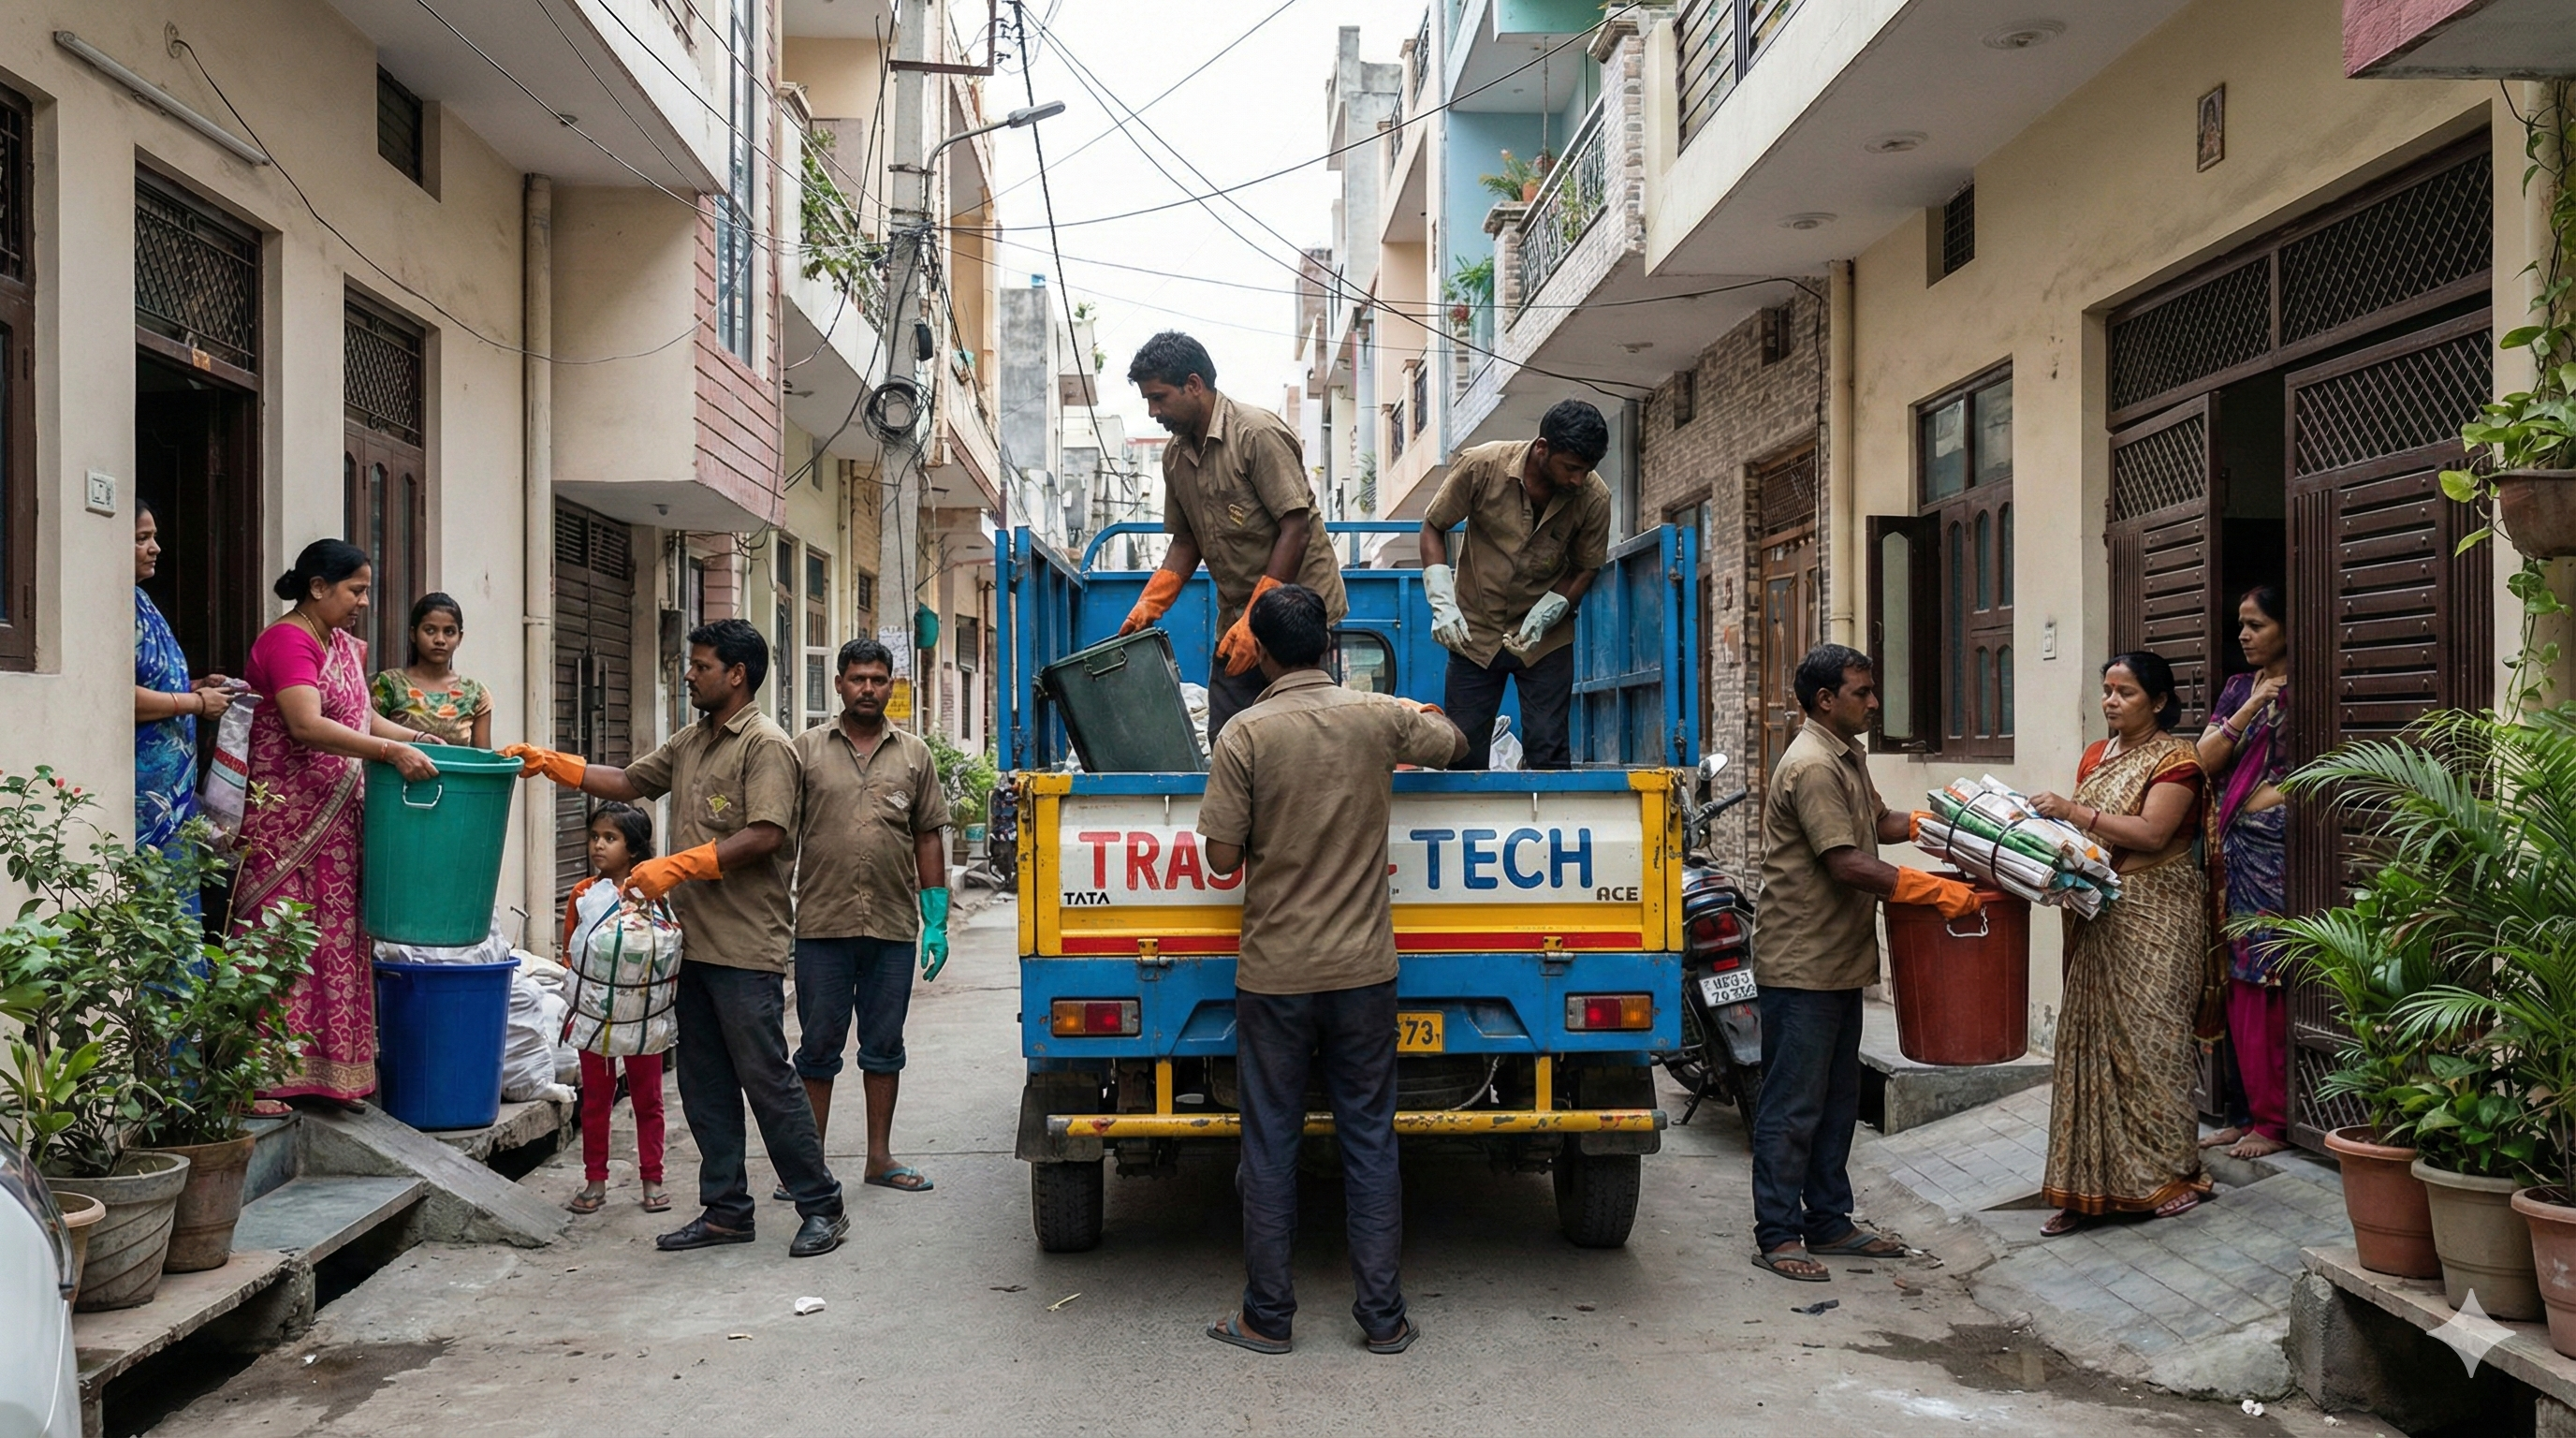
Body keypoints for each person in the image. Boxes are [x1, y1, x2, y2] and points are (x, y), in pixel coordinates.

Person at [504, 619, 847, 1258]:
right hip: (687, 946)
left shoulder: (765, 744)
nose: (688, 673)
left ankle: (821, 1203)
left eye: (700, 664)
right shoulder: (692, 740)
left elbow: (767, 833)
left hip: (744, 946)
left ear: (736, 674)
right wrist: (554, 764)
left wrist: (679, 865)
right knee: (703, 1082)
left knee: (767, 1079)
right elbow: (630, 783)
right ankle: (725, 1210)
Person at [1195, 583, 1465, 1357]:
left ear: (1267, 655)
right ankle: (1384, 1320)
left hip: (1275, 976)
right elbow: (1451, 746)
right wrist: (1431, 723)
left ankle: (1266, 1319)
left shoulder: (1244, 735)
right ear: (1328, 648)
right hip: (1363, 972)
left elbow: (1220, 859)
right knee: (1371, 1140)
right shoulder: (1376, 718)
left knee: (1271, 1145)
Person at [1749, 644, 1978, 1284]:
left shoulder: (1846, 753)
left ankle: (1828, 1219)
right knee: (1793, 1104)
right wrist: (1933, 891)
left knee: (1835, 1100)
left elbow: (1879, 822)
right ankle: (1778, 1232)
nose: (1874, 702)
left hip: (1839, 960)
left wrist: (1950, 825)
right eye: (1862, 692)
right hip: (1802, 961)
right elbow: (1846, 862)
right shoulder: (1813, 765)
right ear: (1826, 700)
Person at [234, 539, 443, 1112]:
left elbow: (357, 715)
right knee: (277, 942)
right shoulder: (288, 640)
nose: (363, 602)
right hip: (286, 824)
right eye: (355, 590)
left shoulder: (340, 645)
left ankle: (330, 1075)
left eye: (366, 589)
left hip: (339, 819)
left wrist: (416, 739)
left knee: (335, 941)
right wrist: (386, 752)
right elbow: (305, 723)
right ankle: (262, 1080)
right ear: (318, 587)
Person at [2029, 650, 2213, 1235]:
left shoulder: (2176, 759)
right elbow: (2087, 835)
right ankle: (2086, 1190)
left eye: (2125, 692)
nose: (2111, 701)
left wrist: (2072, 810)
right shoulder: (2095, 756)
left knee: (2151, 1043)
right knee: (2088, 1047)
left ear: (2158, 702)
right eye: (2107, 690)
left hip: (2159, 913)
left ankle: (2171, 1174)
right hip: (2099, 912)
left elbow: (2154, 832)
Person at [1115, 331, 1348, 743]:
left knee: (1302, 735)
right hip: (1237, 615)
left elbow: (1295, 527)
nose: (1153, 411)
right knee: (1229, 738)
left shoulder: (1255, 434)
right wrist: (1150, 604)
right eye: (1148, 400)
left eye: (1159, 397)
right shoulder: (1175, 457)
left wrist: (1260, 618)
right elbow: (1187, 542)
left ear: (1193, 384)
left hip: (1298, 612)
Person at [787, 638, 951, 1196]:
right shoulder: (805, 751)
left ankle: (879, 1158)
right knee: (816, 1050)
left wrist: (936, 917)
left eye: (878, 679)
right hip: (821, 926)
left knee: (884, 1048)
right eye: (857, 678)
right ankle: (810, 1165)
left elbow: (927, 834)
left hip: (891, 928)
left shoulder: (914, 755)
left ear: (891, 686)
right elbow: (778, 834)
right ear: (838, 684)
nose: (868, 688)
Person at [1417, 400, 1613, 770]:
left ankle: (1552, 824)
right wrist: (1442, 602)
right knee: (1462, 749)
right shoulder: (1481, 466)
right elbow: (1433, 527)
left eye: (1587, 470)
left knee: (1549, 750)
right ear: (1542, 448)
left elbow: (1586, 568)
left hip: (1546, 640)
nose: (1577, 479)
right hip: (1473, 633)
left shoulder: (1594, 497)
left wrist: (1551, 611)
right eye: (1570, 467)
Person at [2195, 586, 2292, 1161]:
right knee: (2231, 974)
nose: (2244, 634)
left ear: (2287, 627)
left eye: (2256, 624)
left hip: (2275, 855)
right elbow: (2201, 761)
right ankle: (2241, 1111)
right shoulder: (2238, 688)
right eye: (2241, 624)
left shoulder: (2311, 689)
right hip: (2229, 849)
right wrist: (2254, 704)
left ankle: (2275, 1120)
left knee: (2266, 977)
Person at [562, 802, 670, 1217]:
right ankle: (594, 1179)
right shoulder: (584, 895)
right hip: (595, 1017)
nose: (598, 846)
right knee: (596, 1101)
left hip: (644, 1015)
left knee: (648, 1099)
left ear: (634, 847)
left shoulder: (652, 892)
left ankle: (653, 1178)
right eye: (594, 837)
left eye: (610, 838)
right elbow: (572, 952)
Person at [132, 501, 233, 855]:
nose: (155, 548)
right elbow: (117, 696)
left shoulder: (141, 600)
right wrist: (196, 703)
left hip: (174, 787)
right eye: (142, 538)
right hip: (143, 793)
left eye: (153, 537)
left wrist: (197, 686)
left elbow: (154, 683)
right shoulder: (112, 606)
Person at [371, 593, 492, 748]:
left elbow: (483, 760)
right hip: (396, 772)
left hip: (457, 773)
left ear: (459, 638)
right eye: (430, 630)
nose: (440, 640)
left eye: (449, 632)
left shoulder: (475, 693)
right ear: (413, 634)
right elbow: (368, 738)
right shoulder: (389, 684)